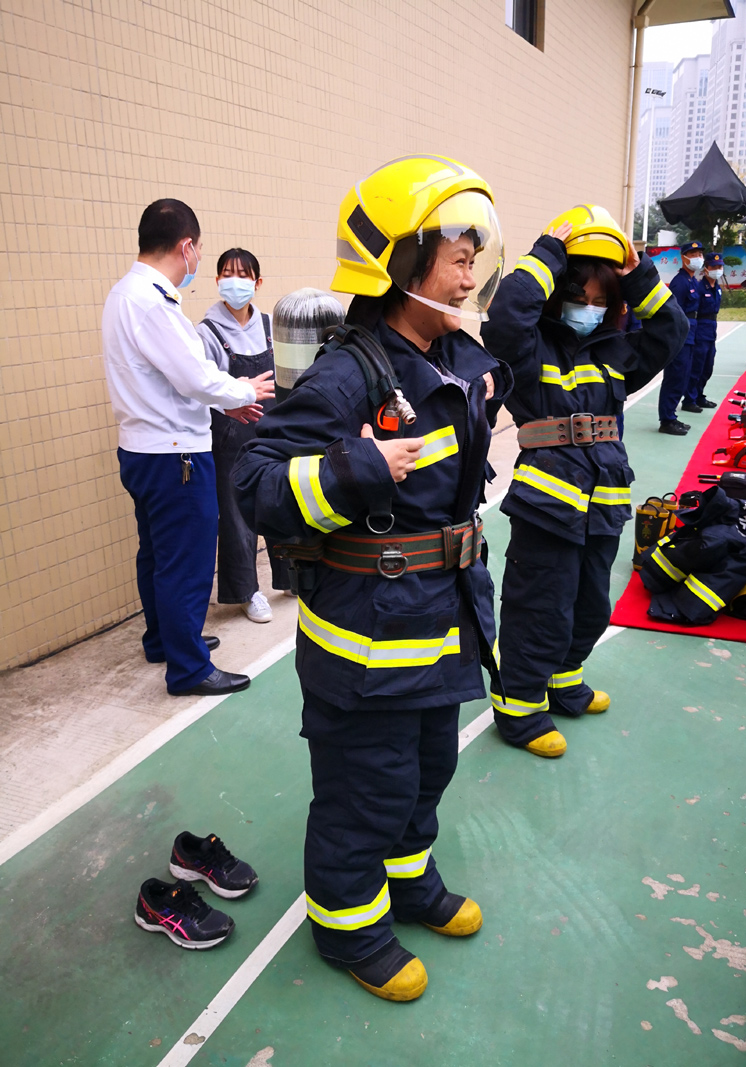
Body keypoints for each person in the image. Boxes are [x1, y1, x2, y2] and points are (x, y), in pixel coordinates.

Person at [234, 156, 510, 1002]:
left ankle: (409, 882)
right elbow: (254, 482)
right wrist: (354, 467)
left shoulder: (452, 358)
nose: (469, 269)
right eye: (456, 254)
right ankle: (348, 925)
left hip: (438, 625)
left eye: (473, 254)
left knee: (426, 773)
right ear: (401, 264)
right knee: (364, 790)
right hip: (368, 645)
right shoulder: (348, 372)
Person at [481, 203, 687, 759]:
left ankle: (564, 680)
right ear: (558, 295)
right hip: (547, 506)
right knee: (538, 608)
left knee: (591, 605)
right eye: (581, 297)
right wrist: (547, 254)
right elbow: (503, 322)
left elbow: (672, 331)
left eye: (602, 301)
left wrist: (638, 276)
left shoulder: (617, 351)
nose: (590, 309)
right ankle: (519, 709)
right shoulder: (529, 349)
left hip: (604, 505)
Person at [102, 199, 274, 696]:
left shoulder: (124, 293)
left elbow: (171, 379)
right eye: (198, 249)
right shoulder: (154, 303)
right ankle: (190, 668)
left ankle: (166, 640)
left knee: (158, 554)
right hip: (175, 454)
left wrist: (225, 404)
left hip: (143, 449)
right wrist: (243, 391)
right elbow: (195, 376)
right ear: (186, 247)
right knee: (186, 562)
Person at [197, 248, 290, 625]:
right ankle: (246, 591)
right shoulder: (207, 332)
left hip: (272, 429)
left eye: (243, 275)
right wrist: (235, 395)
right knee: (236, 513)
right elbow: (203, 388)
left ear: (258, 282)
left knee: (281, 499)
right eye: (227, 274)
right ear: (218, 280)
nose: (234, 282)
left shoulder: (270, 325)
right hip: (230, 435)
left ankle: (291, 577)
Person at [656, 239, 703, 435]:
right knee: (675, 377)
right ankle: (666, 420)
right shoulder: (680, 282)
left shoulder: (692, 280)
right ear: (684, 258)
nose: (698, 258)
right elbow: (675, 312)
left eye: (700, 254)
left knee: (683, 376)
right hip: (681, 335)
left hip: (691, 334)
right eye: (693, 255)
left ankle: (672, 417)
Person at [683, 251, 723, 411]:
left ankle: (699, 396)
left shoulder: (717, 288)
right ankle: (689, 400)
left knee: (708, 367)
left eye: (719, 267)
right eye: (714, 267)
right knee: (696, 367)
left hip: (711, 331)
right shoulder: (700, 287)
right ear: (706, 268)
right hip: (700, 331)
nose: (717, 270)